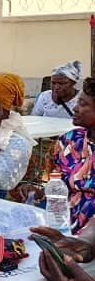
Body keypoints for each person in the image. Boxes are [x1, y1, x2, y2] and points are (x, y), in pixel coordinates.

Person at [51, 77, 95, 233]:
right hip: (63, 225)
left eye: (83, 104)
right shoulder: (69, 141)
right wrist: (38, 192)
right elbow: (56, 183)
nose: (75, 108)